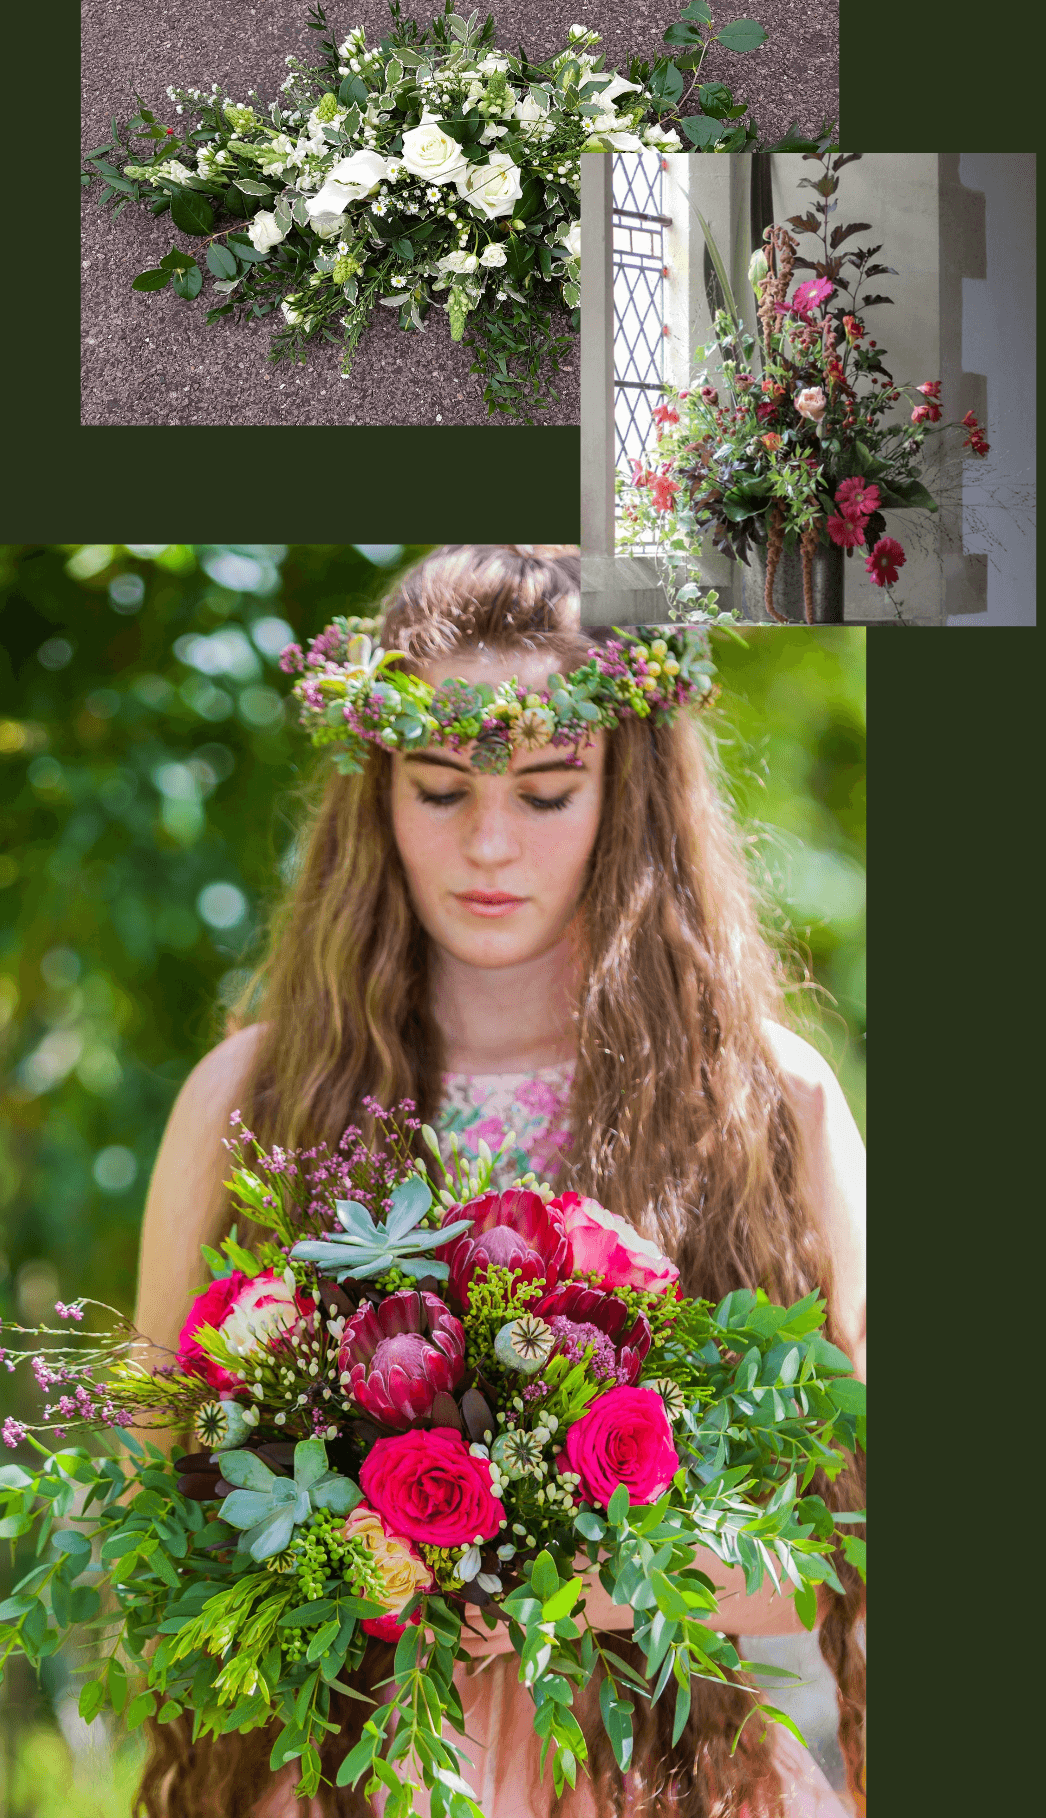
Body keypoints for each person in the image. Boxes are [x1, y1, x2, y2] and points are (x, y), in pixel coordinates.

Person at [133, 545, 865, 1818]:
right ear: (377, 796)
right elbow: (154, 1502)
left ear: (627, 795)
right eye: (438, 788)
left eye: (543, 793)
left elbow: (845, 1534)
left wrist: (585, 1578)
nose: (487, 845)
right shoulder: (249, 1096)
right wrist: (349, 1554)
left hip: (661, 1779)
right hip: (339, 1779)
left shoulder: (768, 1096)